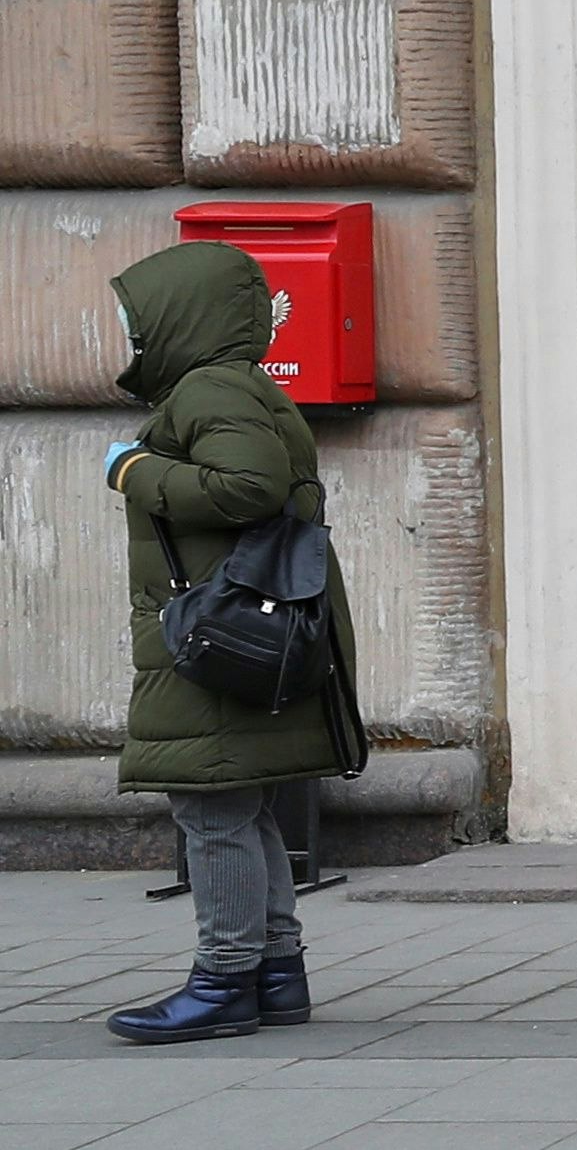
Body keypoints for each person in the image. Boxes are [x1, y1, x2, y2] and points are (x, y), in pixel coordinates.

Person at [102, 241, 368, 1045]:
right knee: (242, 804)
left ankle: (223, 979)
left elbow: (247, 487)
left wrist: (134, 470)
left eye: (137, 321)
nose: (130, 335)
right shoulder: (230, 386)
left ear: (181, 317)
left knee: (211, 807)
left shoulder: (209, 387)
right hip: (234, 624)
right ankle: (277, 972)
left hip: (216, 632)